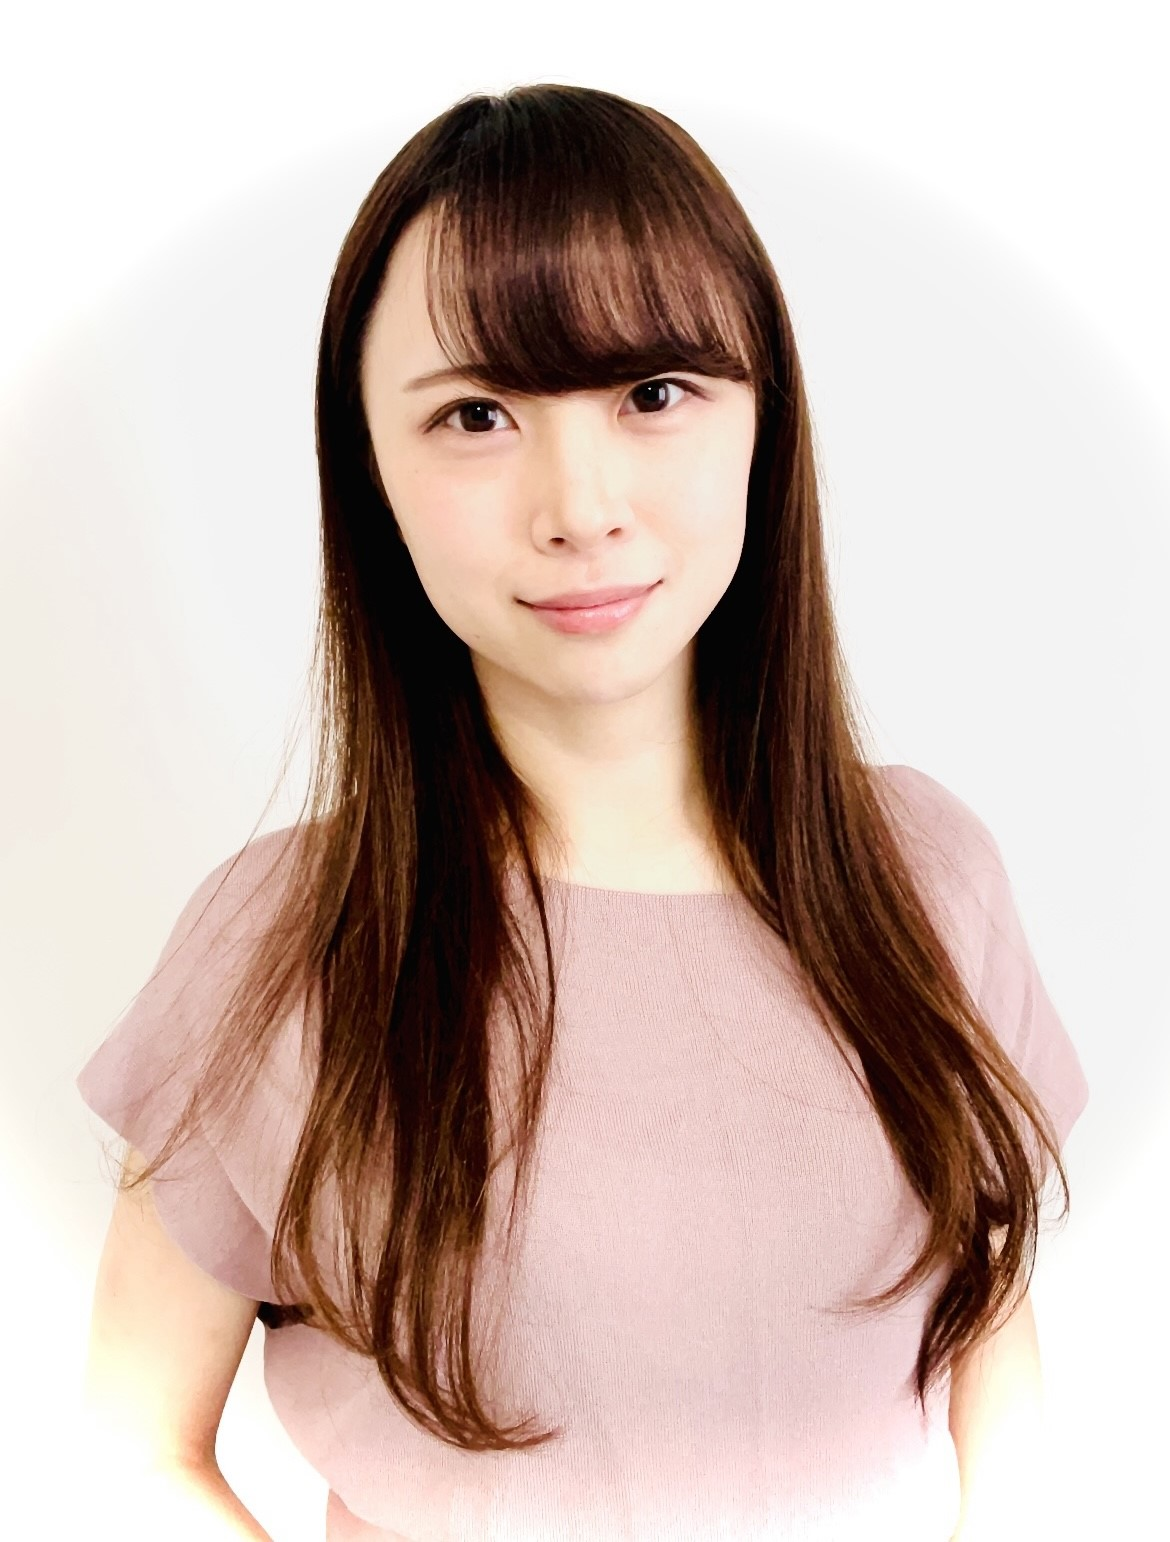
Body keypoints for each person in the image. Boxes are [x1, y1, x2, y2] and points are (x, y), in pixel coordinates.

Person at [76, 83, 1089, 1542]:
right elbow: (138, 1447)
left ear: (764, 421)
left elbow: (987, 1326)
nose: (581, 505)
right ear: (370, 468)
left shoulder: (927, 875)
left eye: (653, 394)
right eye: (478, 414)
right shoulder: (283, 944)